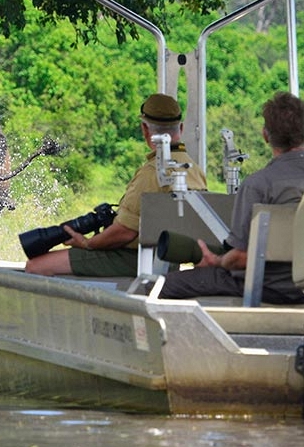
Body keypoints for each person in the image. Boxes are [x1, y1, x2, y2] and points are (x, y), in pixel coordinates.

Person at [25, 93, 207, 278]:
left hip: (135, 259)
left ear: (145, 129)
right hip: (168, 261)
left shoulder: (153, 171)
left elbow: (124, 232)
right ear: (181, 128)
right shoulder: (194, 170)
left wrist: (89, 243)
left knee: (36, 266)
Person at [158, 91, 304, 304]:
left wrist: (216, 260)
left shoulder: (258, 185)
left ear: (265, 135)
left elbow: (241, 259)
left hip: (268, 287)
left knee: (161, 285)